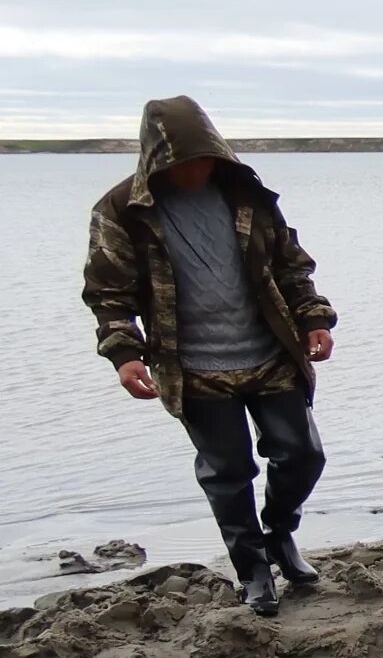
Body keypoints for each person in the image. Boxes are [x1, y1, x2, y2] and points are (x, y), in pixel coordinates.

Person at [82, 96, 336, 617]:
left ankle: (279, 534)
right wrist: (125, 355)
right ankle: (252, 569)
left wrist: (313, 319)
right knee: (227, 470)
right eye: (182, 162)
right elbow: (108, 293)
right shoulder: (122, 210)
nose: (196, 170)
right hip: (193, 368)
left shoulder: (248, 196)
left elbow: (292, 266)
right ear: (156, 159)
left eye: (204, 158)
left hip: (271, 354)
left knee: (303, 454)